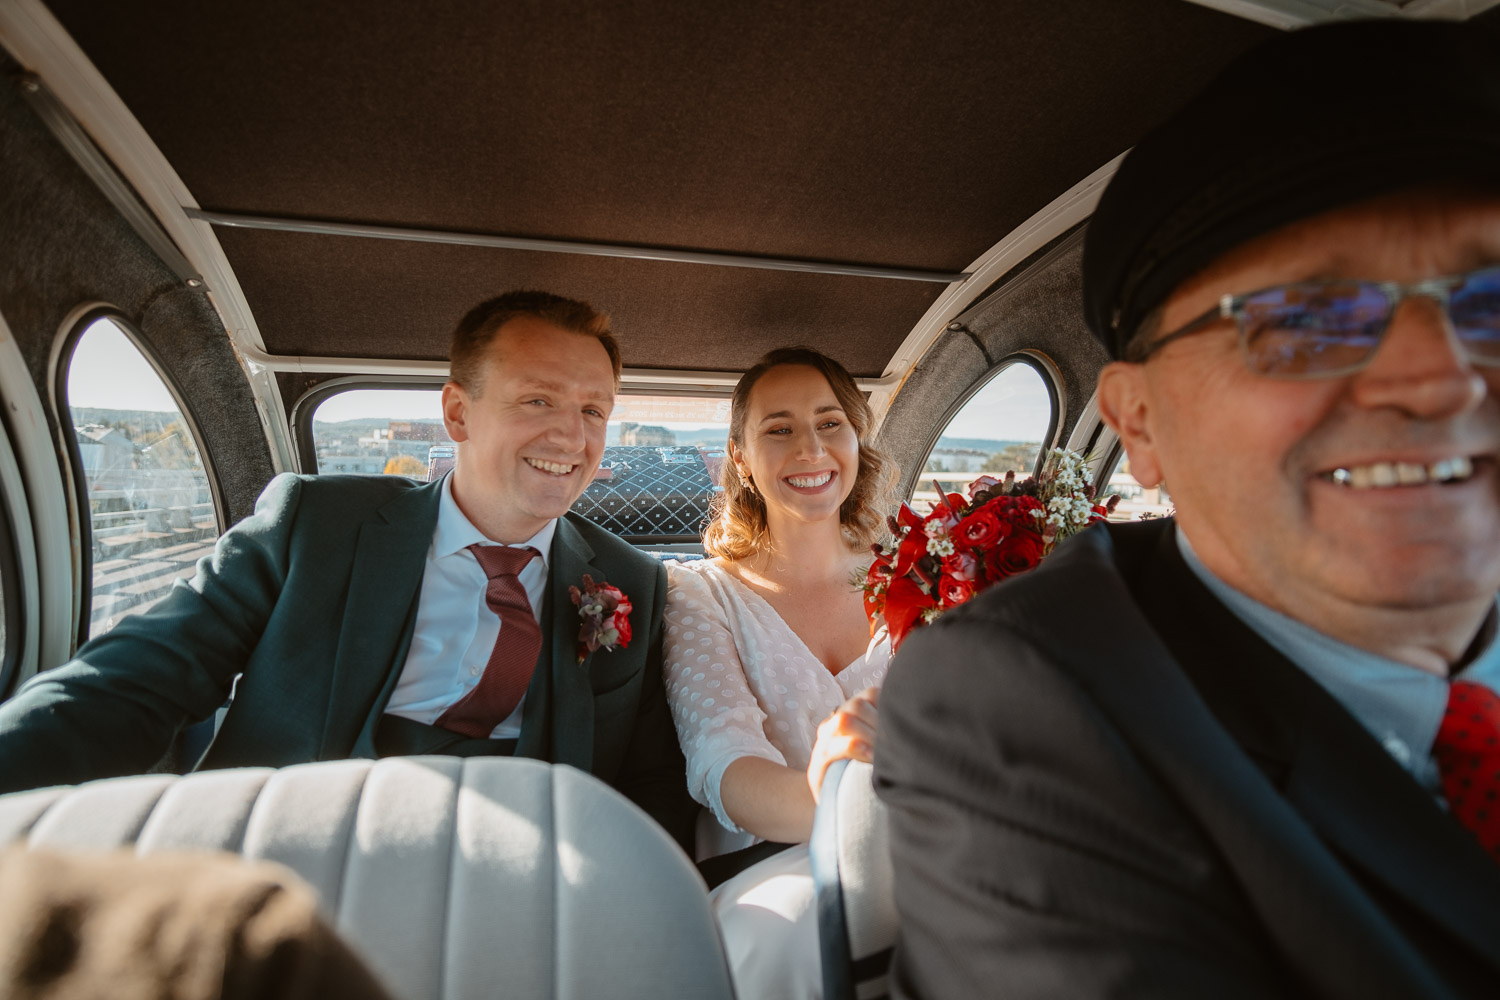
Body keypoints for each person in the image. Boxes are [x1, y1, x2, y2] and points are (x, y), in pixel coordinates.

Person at [875, 19, 1500, 1000]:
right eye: (1305, 318)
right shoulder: (1020, 707)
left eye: (1491, 300)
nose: (1444, 378)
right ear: (1140, 425)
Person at [0, 290, 696, 850]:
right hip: (282, 856)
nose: (571, 437)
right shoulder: (314, 526)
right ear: (457, 411)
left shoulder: (632, 581)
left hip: (519, 881)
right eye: (537, 401)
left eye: (593, 411)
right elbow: (139, 677)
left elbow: (652, 779)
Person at [663, 347, 893, 996]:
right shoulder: (700, 593)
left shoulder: (921, 570)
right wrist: (833, 797)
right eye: (779, 429)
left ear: (855, 438)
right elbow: (722, 761)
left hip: (928, 838)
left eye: (829, 424)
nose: (811, 450)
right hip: (770, 868)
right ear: (740, 456)